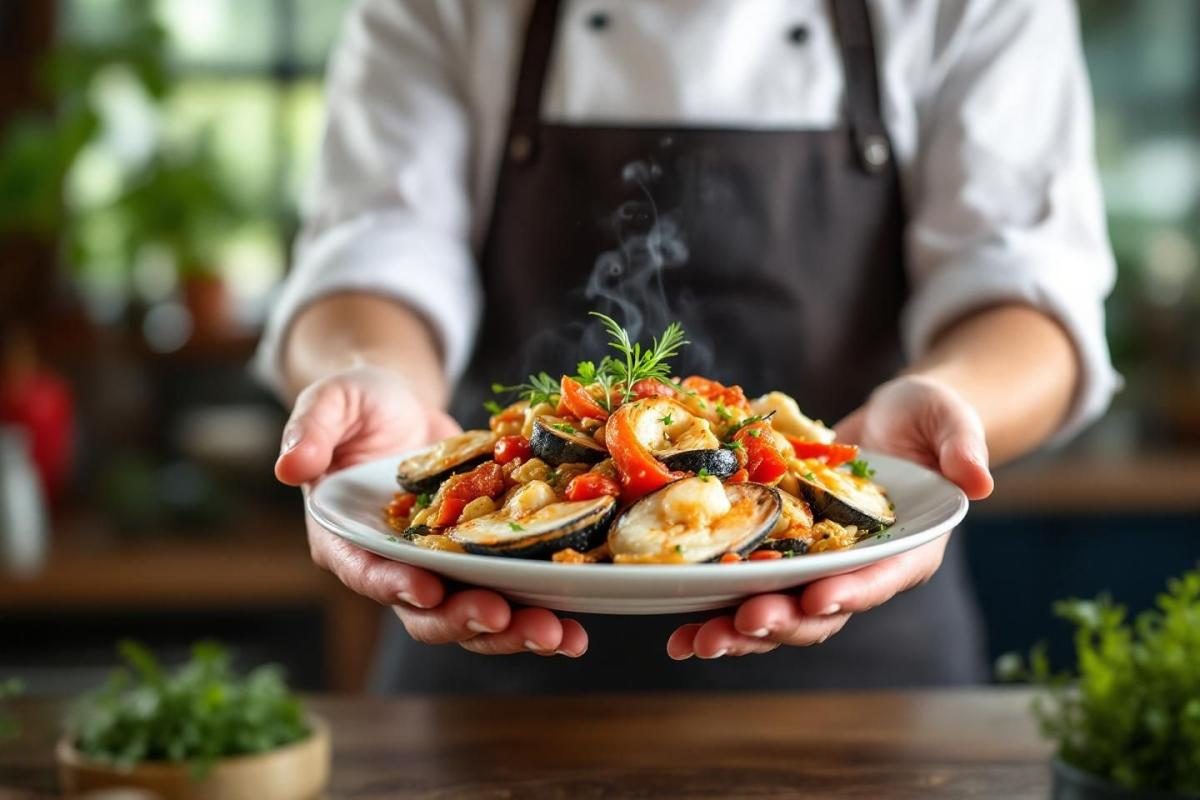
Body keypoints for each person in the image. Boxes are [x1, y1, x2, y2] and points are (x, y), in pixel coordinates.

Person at [259, 0, 1117, 691]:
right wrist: (369, 376)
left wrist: (954, 406)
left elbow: (1030, 293)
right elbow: (373, 254)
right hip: (488, 658)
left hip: (865, 671)